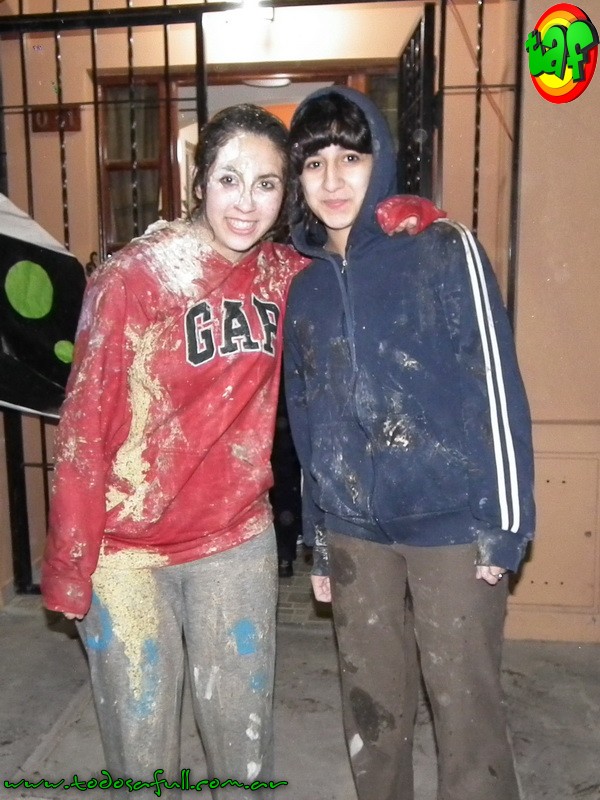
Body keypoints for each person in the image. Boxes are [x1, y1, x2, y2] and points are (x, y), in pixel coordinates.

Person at [40, 103, 441, 799]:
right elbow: (82, 427)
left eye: (267, 184)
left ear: (286, 196)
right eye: (230, 179)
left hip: (233, 540)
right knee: (142, 754)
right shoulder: (134, 278)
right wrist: (69, 564)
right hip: (125, 553)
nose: (246, 203)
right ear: (200, 182)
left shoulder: (286, 275)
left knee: (242, 745)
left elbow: (352, 262)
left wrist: (398, 225)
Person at [284, 86, 535, 800]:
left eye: (351, 157)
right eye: (314, 163)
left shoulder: (442, 250)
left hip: (453, 528)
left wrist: (507, 525)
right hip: (353, 534)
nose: (333, 180)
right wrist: (320, 537)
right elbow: (308, 422)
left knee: (467, 717)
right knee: (372, 716)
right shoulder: (305, 292)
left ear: (382, 161)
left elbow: (495, 389)